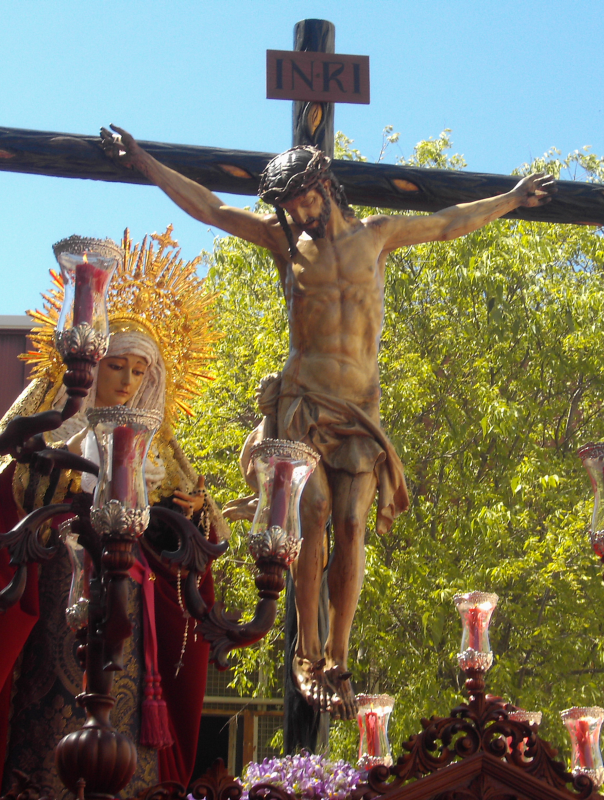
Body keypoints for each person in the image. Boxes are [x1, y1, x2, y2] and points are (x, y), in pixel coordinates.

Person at [100, 127, 555, 716]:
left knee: (352, 524)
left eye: (304, 200)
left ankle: (338, 656)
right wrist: (143, 159)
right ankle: (307, 653)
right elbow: (210, 209)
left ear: (326, 187)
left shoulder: (377, 236)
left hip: (359, 410)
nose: (299, 214)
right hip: (304, 402)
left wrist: (512, 198)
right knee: (311, 512)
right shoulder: (284, 243)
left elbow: (448, 223)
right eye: (289, 207)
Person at [0, 229, 223, 800]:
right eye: (116, 366)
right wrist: (63, 485)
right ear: (91, 363)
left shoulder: (160, 454)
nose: (126, 382)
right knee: (50, 733)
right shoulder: (51, 430)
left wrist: (192, 516)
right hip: (54, 598)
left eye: (139, 372)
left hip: (129, 618)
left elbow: (182, 549)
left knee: (123, 735)